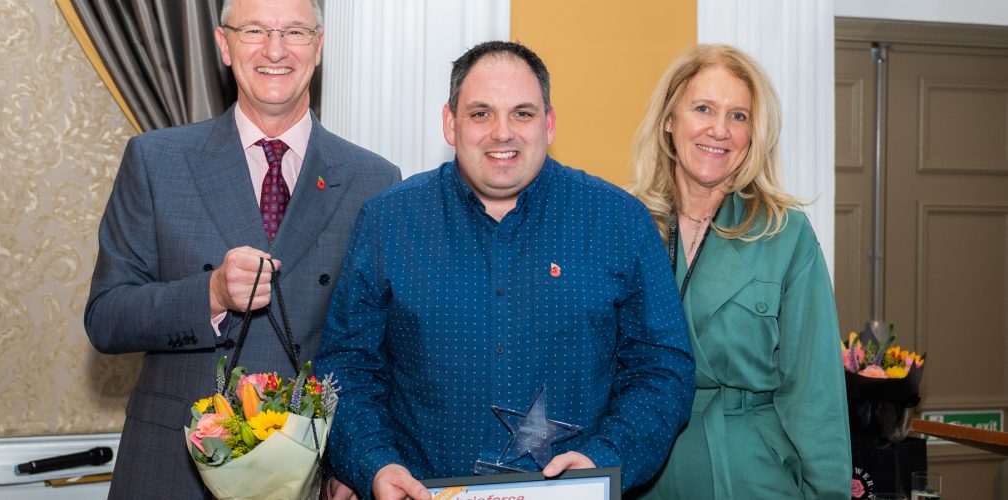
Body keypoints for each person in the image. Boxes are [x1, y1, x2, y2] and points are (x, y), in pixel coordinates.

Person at [316, 40, 696, 500]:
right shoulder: (388, 221)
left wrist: (605, 458)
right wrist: (375, 465)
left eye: (522, 113)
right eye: (480, 114)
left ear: (549, 123)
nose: (502, 132)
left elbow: (663, 368)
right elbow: (346, 365)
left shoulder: (619, 222)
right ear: (449, 123)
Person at [83, 0, 400, 497]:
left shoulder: (373, 180)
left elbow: (376, 354)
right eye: (254, 30)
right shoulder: (155, 160)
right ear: (223, 45)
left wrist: (356, 460)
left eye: (295, 31)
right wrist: (209, 294)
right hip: (173, 469)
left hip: (313, 475)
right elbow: (106, 318)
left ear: (318, 47)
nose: (275, 49)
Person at [626, 44, 851, 499]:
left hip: (750, 471)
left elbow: (815, 392)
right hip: (644, 467)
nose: (719, 130)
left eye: (738, 116)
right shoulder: (622, 225)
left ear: (753, 133)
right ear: (670, 119)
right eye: (703, 108)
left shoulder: (786, 234)